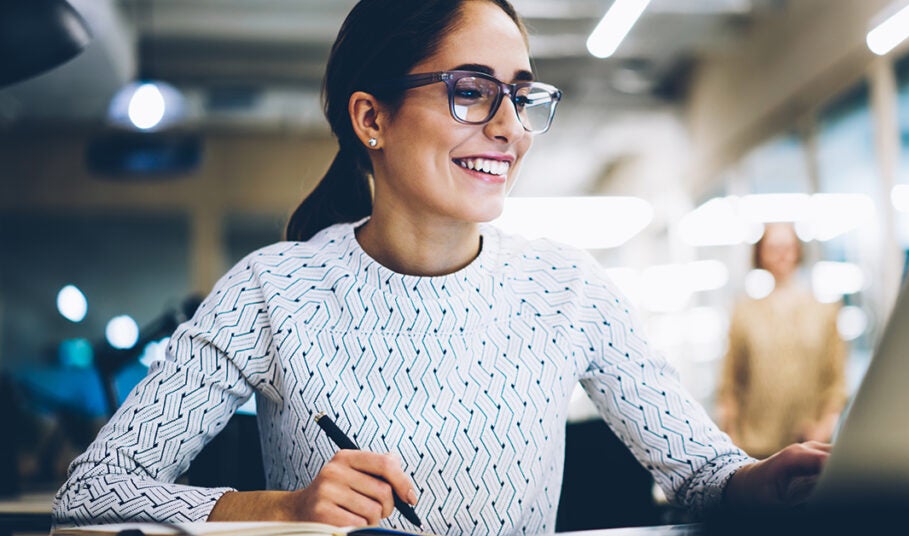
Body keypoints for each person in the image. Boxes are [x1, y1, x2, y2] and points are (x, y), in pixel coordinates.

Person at [53, 1, 831, 533]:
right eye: (471, 91)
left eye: (521, 97)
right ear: (371, 119)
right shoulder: (271, 291)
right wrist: (281, 512)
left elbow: (701, 475)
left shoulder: (569, 290)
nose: (509, 128)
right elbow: (89, 497)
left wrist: (765, 480)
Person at [718, 222, 847, 460]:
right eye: (773, 247)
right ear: (760, 253)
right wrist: (732, 438)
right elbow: (730, 384)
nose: (781, 254)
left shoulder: (824, 312)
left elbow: (835, 382)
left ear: (798, 250)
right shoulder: (744, 313)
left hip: (809, 444)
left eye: (787, 246)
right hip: (755, 447)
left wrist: (824, 428)